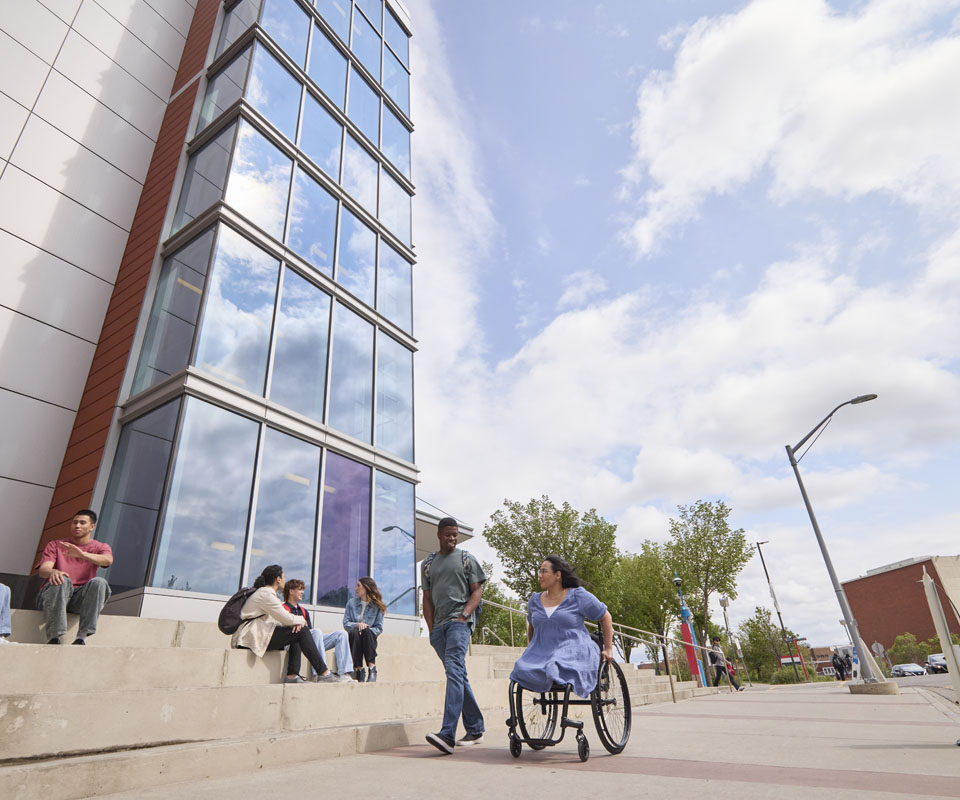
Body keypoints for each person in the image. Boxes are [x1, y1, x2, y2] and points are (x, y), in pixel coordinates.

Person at [421, 517, 486, 754]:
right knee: (457, 674)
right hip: (439, 628)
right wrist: (431, 629)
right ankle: (476, 728)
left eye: (455, 534)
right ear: (439, 535)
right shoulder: (427, 563)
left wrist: (464, 615)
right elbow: (427, 598)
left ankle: (447, 734)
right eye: (448, 534)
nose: (452, 538)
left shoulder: (466, 559)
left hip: (460, 623)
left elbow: (477, 590)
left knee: (454, 670)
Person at [509, 556, 614, 700]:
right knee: (520, 667)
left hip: (575, 648)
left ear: (557, 575)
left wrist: (608, 648)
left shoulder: (578, 596)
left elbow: (605, 616)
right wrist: (532, 649)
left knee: (554, 664)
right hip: (543, 651)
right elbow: (532, 628)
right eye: (539, 572)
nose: (539, 576)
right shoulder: (534, 601)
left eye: (543, 571)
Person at [232, 565, 345, 683]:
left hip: (258, 634)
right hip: (249, 637)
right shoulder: (266, 594)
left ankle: (292, 676)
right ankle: (324, 673)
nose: (285, 580)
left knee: (296, 632)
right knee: (302, 631)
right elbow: (285, 617)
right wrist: (301, 620)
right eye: (284, 576)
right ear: (278, 579)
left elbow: (279, 620)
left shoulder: (267, 594)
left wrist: (293, 624)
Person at [35, 509, 113, 645]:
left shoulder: (101, 547)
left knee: (100, 582)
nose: (77, 526)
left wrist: (82, 554)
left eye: (82, 523)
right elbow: (44, 570)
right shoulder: (55, 545)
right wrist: (53, 572)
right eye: (74, 522)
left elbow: (107, 560)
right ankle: (54, 637)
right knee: (62, 579)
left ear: (92, 527)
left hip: (78, 601)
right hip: (52, 597)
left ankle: (81, 637)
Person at [282, 579, 352, 681]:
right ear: (291, 591)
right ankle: (320, 674)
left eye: (303, 590)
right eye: (299, 589)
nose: (302, 592)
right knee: (317, 631)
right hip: (292, 643)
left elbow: (308, 635)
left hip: (308, 643)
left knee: (342, 634)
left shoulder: (304, 611)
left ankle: (344, 674)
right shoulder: (283, 609)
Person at [343, 577, 385, 682]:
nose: (355, 588)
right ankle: (359, 670)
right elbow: (346, 623)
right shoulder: (351, 603)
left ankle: (372, 669)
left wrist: (366, 628)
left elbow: (379, 628)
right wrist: (357, 625)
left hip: (369, 638)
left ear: (366, 588)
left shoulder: (377, 606)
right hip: (354, 637)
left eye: (358, 586)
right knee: (354, 632)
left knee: (366, 631)